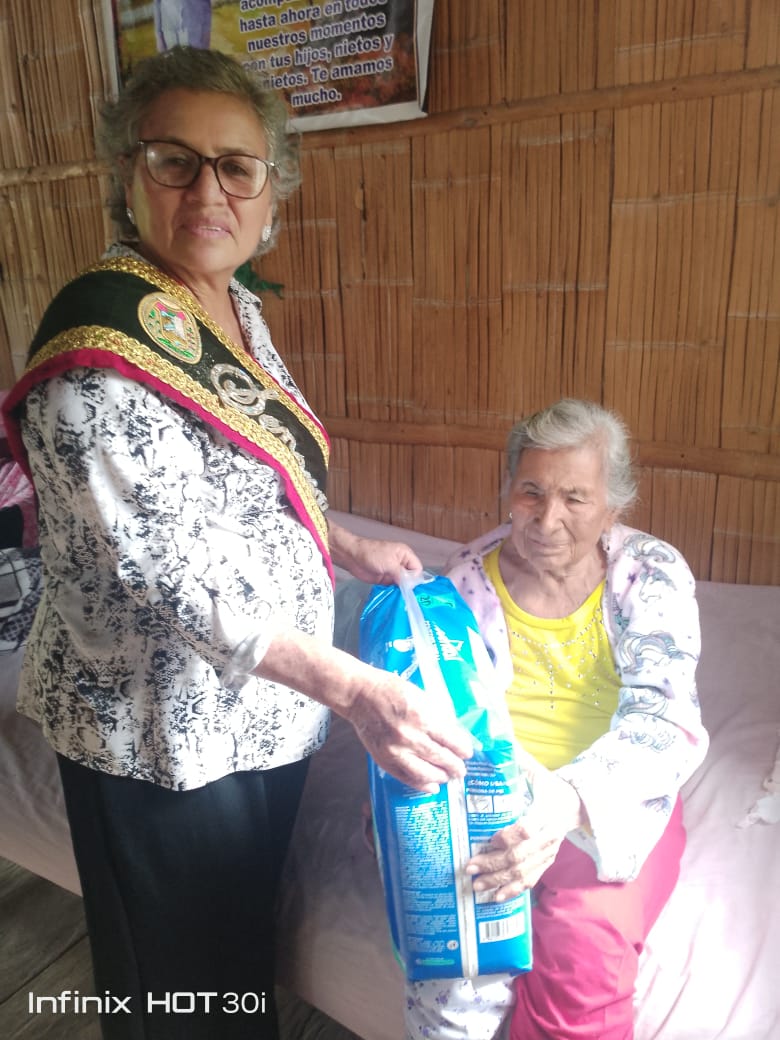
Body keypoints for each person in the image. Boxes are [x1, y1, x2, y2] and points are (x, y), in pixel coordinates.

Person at [2, 46, 472, 1040]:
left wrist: (345, 544)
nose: (208, 190)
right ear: (129, 173)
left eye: (236, 166)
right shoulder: (97, 352)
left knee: (231, 960)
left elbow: (253, 480)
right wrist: (355, 690)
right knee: (174, 988)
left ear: (270, 192)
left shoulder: (229, 307)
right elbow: (171, 568)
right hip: (156, 737)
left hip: (260, 713)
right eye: (175, 160)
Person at [403, 398, 708, 1040]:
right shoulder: (464, 580)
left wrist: (565, 802)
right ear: (509, 491)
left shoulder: (651, 574)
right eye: (532, 493)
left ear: (613, 506)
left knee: (582, 947)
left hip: (611, 794)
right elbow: (440, 710)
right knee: (455, 959)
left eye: (575, 498)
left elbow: (666, 719)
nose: (548, 520)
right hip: (491, 790)